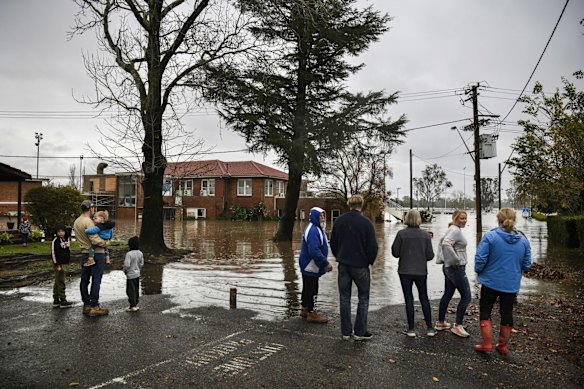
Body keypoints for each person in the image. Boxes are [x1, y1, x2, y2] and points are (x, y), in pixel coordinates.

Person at [474, 208, 532, 355]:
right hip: (511, 284)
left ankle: (487, 344)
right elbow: (527, 265)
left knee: (485, 310)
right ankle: (502, 345)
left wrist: (479, 271)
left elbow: (480, 259)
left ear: (498, 219)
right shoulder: (524, 241)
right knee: (506, 312)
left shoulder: (490, 237)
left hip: (490, 281)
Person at [330, 195, 378, 341]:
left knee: (344, 297)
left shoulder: (339, 221)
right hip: (361, 265)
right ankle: (360, 332)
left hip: (343, 264)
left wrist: (339, 255)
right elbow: (373, 246)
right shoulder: (366, 223)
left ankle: (346, 332)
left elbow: (333, 242)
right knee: (363, 297)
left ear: (349, 204)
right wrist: (369, 260)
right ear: (361, 205)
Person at [391, 210, 436, 337]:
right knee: (424, 297)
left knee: (409, 298)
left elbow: (395, 253)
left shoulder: (401, 234)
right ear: (419, 219)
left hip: (404, 270)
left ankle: (411, 329)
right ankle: (430, 328)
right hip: (421, 271)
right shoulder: (425, 235)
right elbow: (430, 255)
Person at [436, 210, 472, 337]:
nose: (464, 220)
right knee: (467, 296)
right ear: (455, 218)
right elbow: (446, 244)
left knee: (448, 293)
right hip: (455, 268)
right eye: (461, 218)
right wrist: (455, 260)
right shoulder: (455, 230)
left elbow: (443, 242)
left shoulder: (453, 229)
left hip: (449, 267)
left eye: (465, 218)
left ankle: (440, 322)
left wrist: (447, 260)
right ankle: (457, 326)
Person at [73, 200, 109, 317]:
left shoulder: (77, 221)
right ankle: (95, 306)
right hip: (96, 254)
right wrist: (105, 243)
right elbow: (94, 239)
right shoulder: (89, 222)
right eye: (93, 208)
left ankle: (86, 304)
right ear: (90, 209)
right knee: (96, 280)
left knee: (85, 279)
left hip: (84, 253)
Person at [298, 207, 333, 323]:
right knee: (312, 288)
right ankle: (311, 313)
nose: (322, 218)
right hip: (310, 264)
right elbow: (314, 251)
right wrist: (325, 263)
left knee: (307, 287)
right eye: (320, 216)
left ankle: (304, 308)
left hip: (308, 264)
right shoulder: (313, 230)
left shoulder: (315, 228)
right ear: (314, 217)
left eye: (323, 215)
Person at [51, 224, 73, 308]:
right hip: (58, 263)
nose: (60, 233)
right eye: (59, 231)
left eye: (62, 231)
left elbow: (67, 250)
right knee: (61, 281)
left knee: (58, 281)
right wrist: (57, 264)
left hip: (64, 262)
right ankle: (62, 300)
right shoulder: (55, 240)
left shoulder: (66, 239)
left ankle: (56, 299)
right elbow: (53, 253)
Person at [123, 236, 144, 312]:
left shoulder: (129, 254)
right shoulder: (140, 253)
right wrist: (138, 269)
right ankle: (136, 303)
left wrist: (125, 271)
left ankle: (132, 305)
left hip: (130, 275)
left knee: (130, 290)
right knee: (136, 289)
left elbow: (126, 265)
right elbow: (141, 263)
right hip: (137, 274)